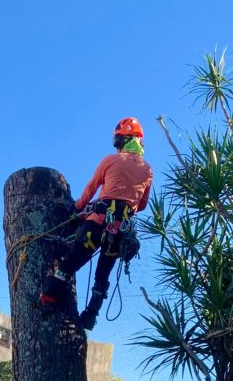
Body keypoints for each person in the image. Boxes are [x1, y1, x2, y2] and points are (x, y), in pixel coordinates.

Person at [42, 117, 153, 330]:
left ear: (122, 139)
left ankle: (48, 298)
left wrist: (78, 208)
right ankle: (91, 315)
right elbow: (143, 204)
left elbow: (91, 188)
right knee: (103, 273)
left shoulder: (110, 160)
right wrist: (123, 206)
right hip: (120, 230)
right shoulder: (147, 170)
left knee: (72, 261)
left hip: (98, 222)